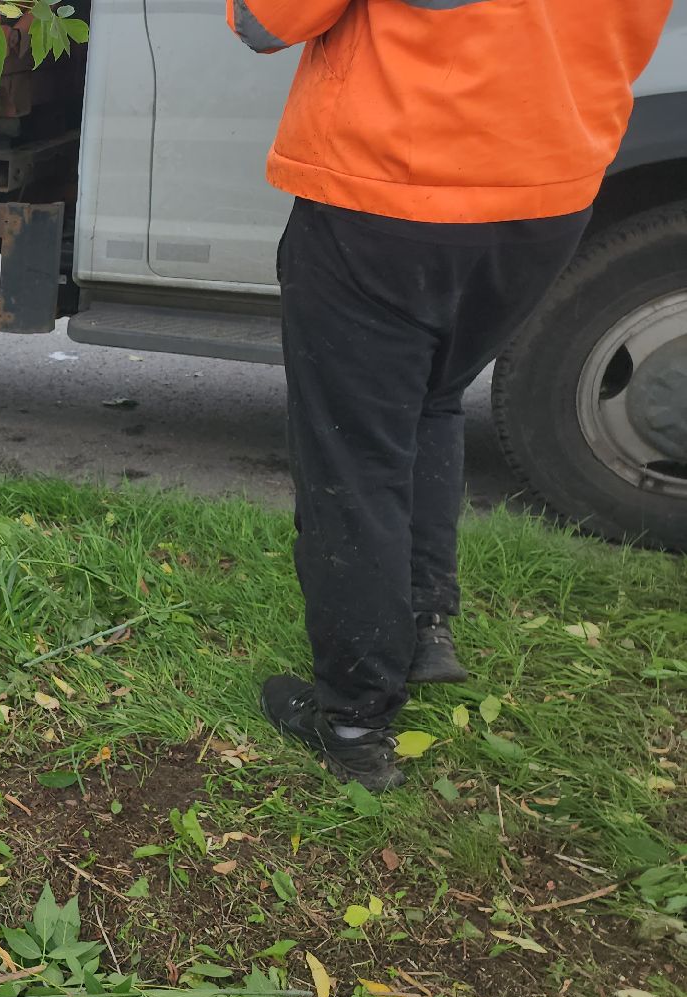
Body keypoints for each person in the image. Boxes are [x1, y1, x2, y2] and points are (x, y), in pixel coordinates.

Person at [228, 0, 671, 792]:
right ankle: (424, 621)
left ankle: (356, 720)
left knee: (353, 459)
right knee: (434, 397)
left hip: (391, 191)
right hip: (546, 190)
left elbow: (265, 20)